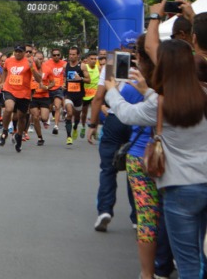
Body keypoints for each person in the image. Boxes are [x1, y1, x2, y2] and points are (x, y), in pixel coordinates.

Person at [106, 38, 207, 279]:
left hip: (178, 186)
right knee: (201, 255)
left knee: (187, 261)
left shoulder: (162, 101)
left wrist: (112, 91)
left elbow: (128, 114)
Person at [86, 33, 139, 233]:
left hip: (116, 118)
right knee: (135, 170)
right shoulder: (148, 64)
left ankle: (105, 211)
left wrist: (92, 124)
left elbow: (99, 96)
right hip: (140, 121)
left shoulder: (111, 64)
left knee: (108, 168)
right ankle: (137, 216)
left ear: (121, 47)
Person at [0, 45, 42, 152]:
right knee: (8, 108)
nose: (18, 53)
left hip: (24, 93)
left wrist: (32, 68)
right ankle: (5, 131)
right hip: (10, 90)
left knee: (22, 117)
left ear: (24, 52)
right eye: (16, 51)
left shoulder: (29, 62)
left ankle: (19, 136)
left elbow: (39, 79)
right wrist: (3, 82)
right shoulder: (8, 61)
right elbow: (5, 71)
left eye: (20, 52)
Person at [63, 46, 90, 147]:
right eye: (70, 54)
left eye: (74, 54)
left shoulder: (82, 66)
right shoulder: (65, 66)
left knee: (77, 116)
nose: (71, 56)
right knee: (69, 113)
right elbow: (64, 78)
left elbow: (89, 80)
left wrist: (80, 78)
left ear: (78, 55)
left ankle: (75, 127)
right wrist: (63, 84)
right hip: (68, 94)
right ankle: (69, 137)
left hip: (79, 95)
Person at [30, 50, 55, 146]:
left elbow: (53, 82)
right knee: (35, 117)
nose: (39, 61)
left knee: (44, 118)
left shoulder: (47, 69)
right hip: (33, 96)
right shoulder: (31, 68)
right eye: (37, 59)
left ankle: (44, 119)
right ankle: (40, 137)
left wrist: (47, 87)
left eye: (41, 59)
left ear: (43, 59)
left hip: (44, 96)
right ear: (34, 58)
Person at [44, 48, 67, 135]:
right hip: (49, 88)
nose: (56, 56)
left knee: (57, 106)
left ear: (60, 56)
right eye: (54, 55)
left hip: (59, 88)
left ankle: (56, 126)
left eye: (58, 55)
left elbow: (68, 74)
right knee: (49, 107)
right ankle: (48, 118)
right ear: (51, 56)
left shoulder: (64, 64)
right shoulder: (47, 64)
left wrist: (65, 83)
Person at [80, 51, 99, 139]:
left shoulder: (99, 68)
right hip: (85, 93)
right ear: (87, 59)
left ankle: (94, 129)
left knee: (95, 112)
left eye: (95, 59)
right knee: (84, 113)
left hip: (95, 93)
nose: (93, 60)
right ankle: (83, 126)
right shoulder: (84, 67)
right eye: (91, 59)